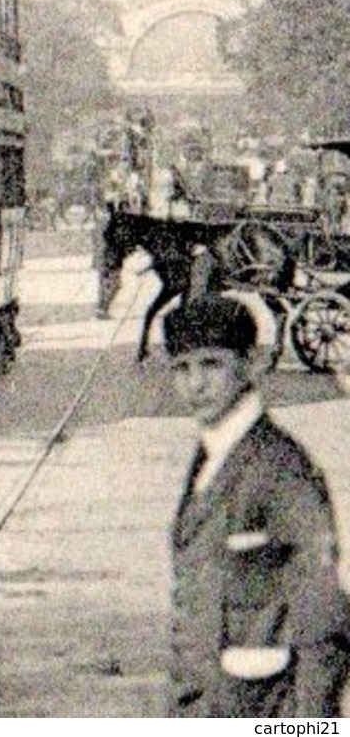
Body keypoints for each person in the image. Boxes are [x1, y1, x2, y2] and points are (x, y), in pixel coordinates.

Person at [164, 295, 350, 717]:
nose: (195, 384)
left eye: (212, 365)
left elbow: (323, 623)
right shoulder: (209, 458)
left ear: (249, 364)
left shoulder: (279, 468)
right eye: (182, 368)